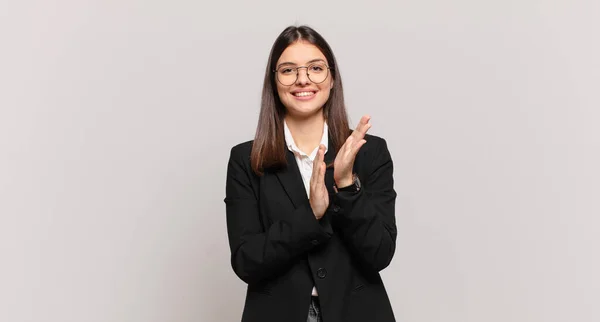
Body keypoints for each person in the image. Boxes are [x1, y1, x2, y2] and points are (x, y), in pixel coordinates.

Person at [224, 25, 397, 322]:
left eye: (315, 68)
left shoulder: (369, 152)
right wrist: (311, 215)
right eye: (288, 70)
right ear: (274, 82)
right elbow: (246, 261)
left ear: (331, 79)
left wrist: (346, 187)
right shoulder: (246, 159)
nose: (303, 79)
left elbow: (380, 254)